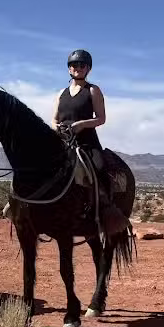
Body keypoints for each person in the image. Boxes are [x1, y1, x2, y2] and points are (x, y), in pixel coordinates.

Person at [51, 49, 129, 236]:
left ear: (88, 69)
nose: (77, 68)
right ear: (69, 68)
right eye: (74, 65)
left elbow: (101, 118)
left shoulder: (93, 90)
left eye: (81, 65)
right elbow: (54, 119)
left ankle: (106, 212)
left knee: (99, 168)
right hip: (64, 142)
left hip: (87, 142)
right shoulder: (60, 93)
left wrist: (81, 125)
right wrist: (56, 128)